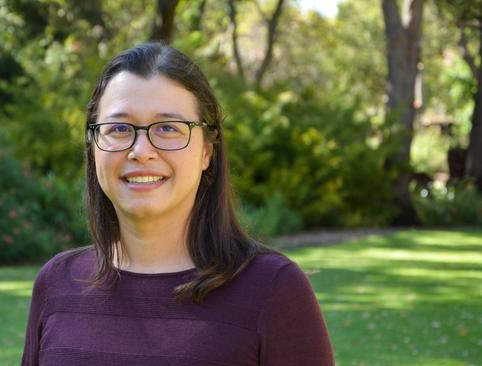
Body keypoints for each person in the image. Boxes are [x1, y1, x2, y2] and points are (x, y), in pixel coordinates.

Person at [21, 42, 334, 366]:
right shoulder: (56, 282)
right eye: (118, 128)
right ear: (93, 147)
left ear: (207, 152)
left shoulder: (273, 289)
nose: (141, 150)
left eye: (168, 128)